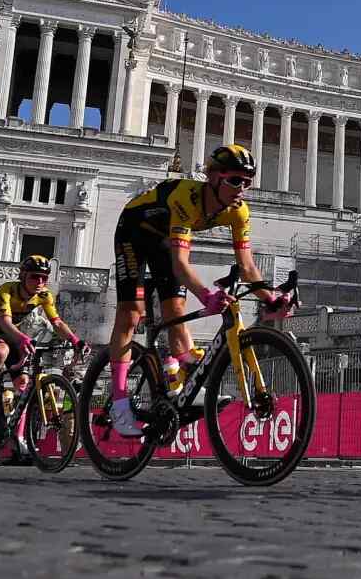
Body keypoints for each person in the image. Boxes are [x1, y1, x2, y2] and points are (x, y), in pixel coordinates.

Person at [108, 144, 293, 436]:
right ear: (214, 177)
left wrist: (271, 298)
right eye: (235, 180)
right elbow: (181, 265)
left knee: (176, 308)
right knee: (132, 313)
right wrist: (207, 296)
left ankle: (178, 381)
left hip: (164, 242)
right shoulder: (187, 197)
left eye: (247, 182)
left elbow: (247, 267)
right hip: (134, 231)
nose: (241, 188)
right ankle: (119, 405)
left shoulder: (239, 212)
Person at [0, 255, 88, 461]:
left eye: (44, 278)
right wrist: (23, 338)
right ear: (23, 275)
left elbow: (57, 323)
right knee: (1, 352)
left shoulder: (44, 295)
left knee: (24, 386)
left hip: (15, 336)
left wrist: (76, 340)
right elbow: (5, 322)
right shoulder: (7, 290)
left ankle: (18, 438)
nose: (40, 282)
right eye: (35, 277)